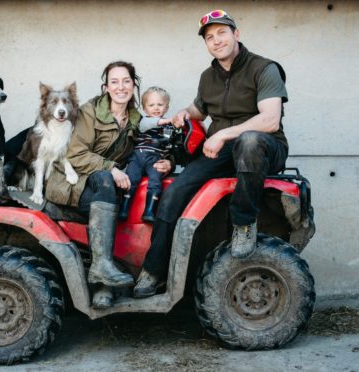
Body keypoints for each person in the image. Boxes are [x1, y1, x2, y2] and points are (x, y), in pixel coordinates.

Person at [133, 9, 289, 298]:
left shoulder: (264, 68)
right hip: (223, 150)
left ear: (236, 34)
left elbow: (270, 120)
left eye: (221, 33)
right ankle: (154, 271)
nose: (216, 40)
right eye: (209, 37)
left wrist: (221, 134)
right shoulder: (208, 77)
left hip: (264, 147)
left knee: (250, 141)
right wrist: (183, 113)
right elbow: (199, 109)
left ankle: (244, 223)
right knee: (175, 191)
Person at [43, 61, 172, 308]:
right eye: (114, 82)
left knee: (122, 196)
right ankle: (103, 280)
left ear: (134, 85)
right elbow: (75, 154)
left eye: (126, 81)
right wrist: (111, 169)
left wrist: (167, 161)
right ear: (106, 87)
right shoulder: (90, 111)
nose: (120, 87)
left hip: (106, 186)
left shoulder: (137, 118)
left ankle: (105, 282)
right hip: (73, 182)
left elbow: (151, 146)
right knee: (105, 181)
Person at [118, 86, 177, 222]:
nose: (156, 108)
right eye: (151, 105)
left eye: (160, 105)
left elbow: (168, 143)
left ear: (166, 108)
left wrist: (166, 144)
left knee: (155, 182)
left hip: (155, 159)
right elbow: (147, 124)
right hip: (138, 157)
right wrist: (164, 121)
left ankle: (149, 211)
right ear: (145, 109)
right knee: (131, 180)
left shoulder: (168, 127)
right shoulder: (143, 122)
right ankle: (124, 209)